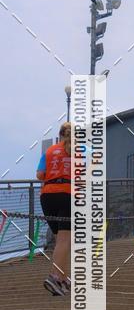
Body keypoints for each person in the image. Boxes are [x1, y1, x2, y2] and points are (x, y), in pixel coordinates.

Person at [36, 122, 72, 296]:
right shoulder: (79, 152)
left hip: (47, 196)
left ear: (60, 135)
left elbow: (40, 175)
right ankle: (54, 277)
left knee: (61, 241)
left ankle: (64, 278)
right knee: (65, 240)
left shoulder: (48, 152)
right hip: (67, 195)